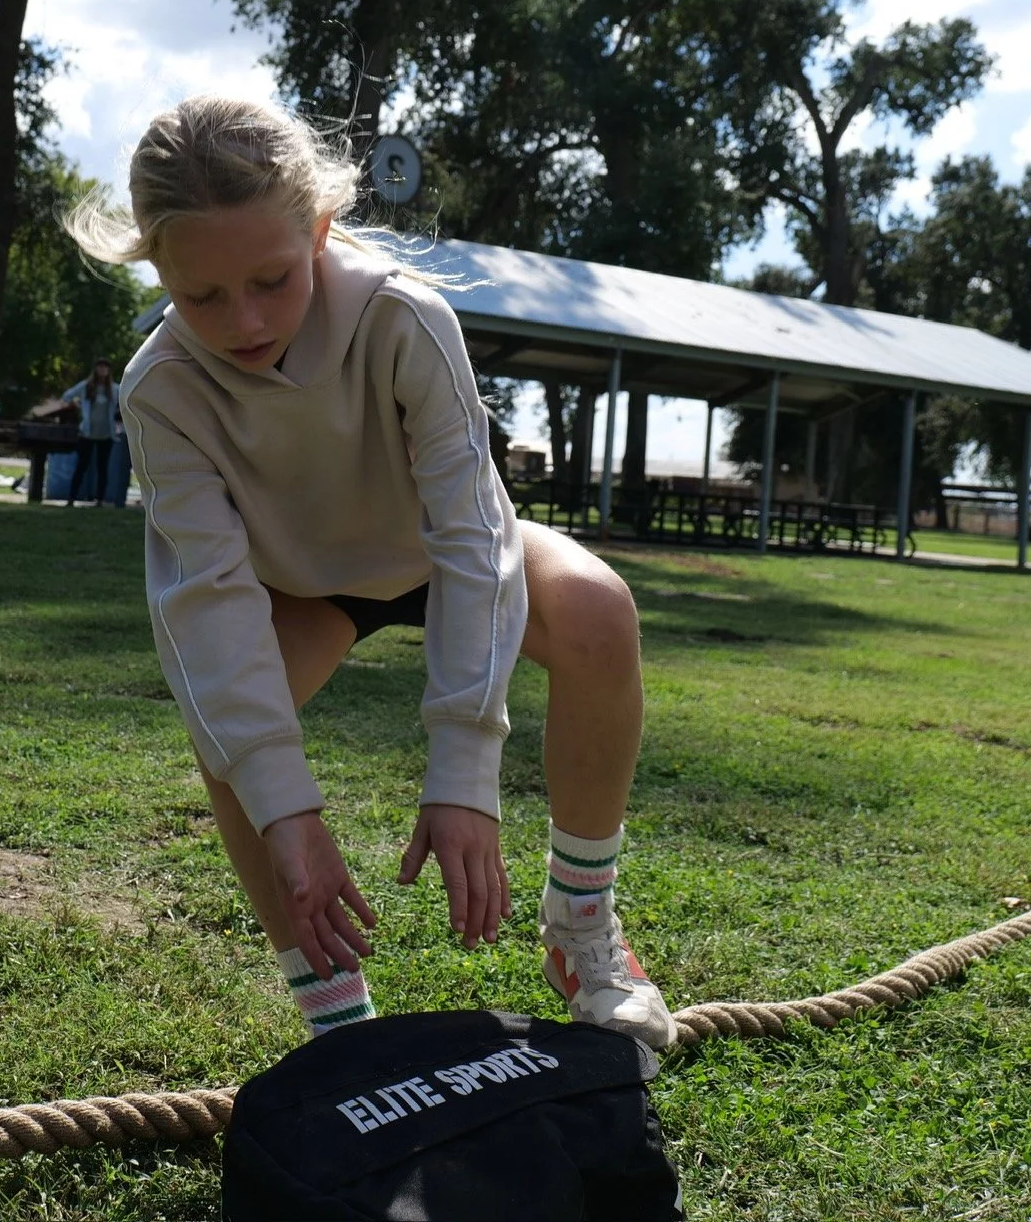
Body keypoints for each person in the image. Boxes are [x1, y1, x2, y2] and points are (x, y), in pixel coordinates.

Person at [64, 96, 671, 1049]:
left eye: (272, 278)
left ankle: (582, 931)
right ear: (156, 269)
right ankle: (336, 1020)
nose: (244, 320)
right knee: (231, 724)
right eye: (202, 297)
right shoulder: (160, 392)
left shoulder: (403, 318)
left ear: (319, 228)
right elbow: (211, 608)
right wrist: (289, 813)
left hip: (434, 550)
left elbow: (474, 538)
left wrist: (463, 771)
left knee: (598, 611)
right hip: (306, 587)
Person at [61, 358, 120, 505]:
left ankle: (99, 499)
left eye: (105, 368)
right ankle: (72, 498)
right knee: (81, 466)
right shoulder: (86, 386)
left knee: (102, 468)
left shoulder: (114, 389)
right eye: (100, 367)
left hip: (106, 434)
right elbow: (67, 396)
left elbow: (127, 400)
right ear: (95, 369)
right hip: (87, 433)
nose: (102, 370)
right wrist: (76, 405)